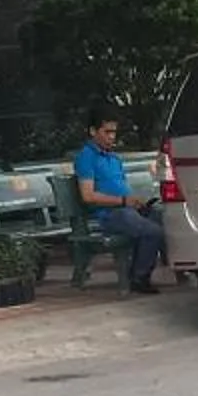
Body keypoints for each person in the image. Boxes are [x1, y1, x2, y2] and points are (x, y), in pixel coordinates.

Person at [72, 109, 166, 295]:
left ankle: (188, 269)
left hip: (127, 209)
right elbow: (88, 196)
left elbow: (121, 187)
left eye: (114, 132)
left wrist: (136, 201)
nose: (111, 137)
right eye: (107, 132)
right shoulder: (86, 157)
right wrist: (123, 201)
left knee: (165, 217)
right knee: (151, 231)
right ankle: (139, 277)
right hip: (109, 215)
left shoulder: (114, 158)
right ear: (93, 131)